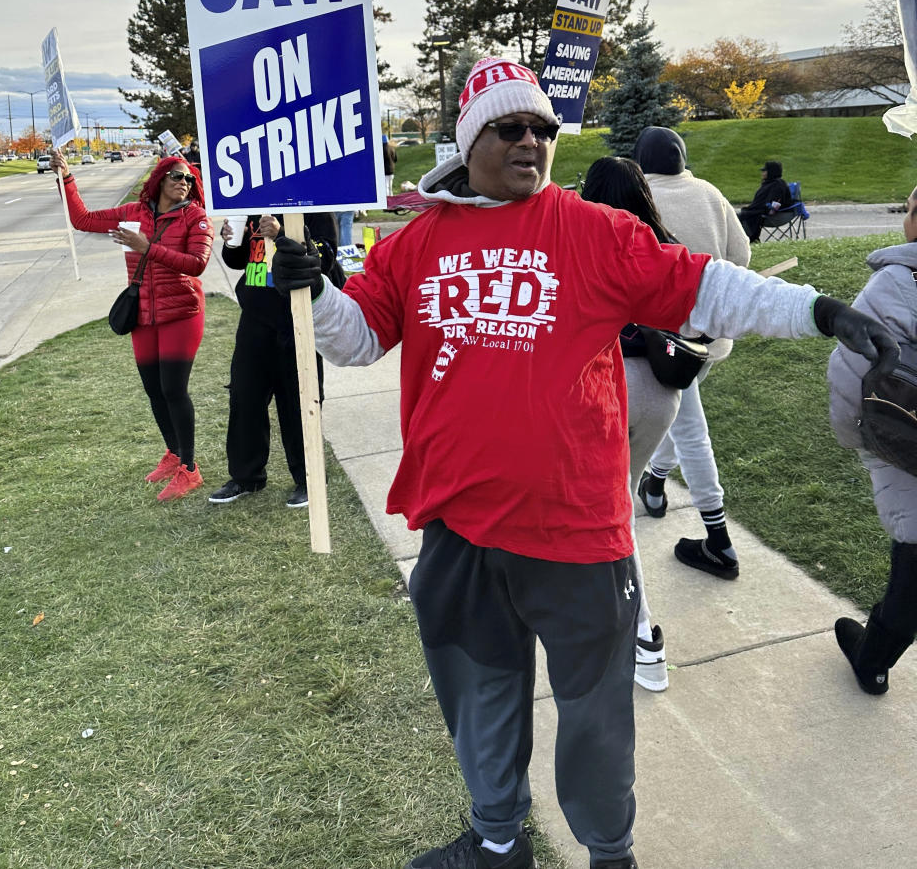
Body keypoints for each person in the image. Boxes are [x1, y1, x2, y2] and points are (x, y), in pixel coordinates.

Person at [270, 56, 896, 869]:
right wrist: (301, 289)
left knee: (596, 715)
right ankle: (497, 842)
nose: (532, 140)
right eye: (511, 127)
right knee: (481, 698)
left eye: (543, 128)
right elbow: (357, 338)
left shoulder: (589, 230)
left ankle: (610, 854)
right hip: (460, 528)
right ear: (471, 140)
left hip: (575, 533)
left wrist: (817, 310)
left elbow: (703, 287)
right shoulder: (417, 242)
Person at [52, 148, 214, 500]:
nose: (184, 183)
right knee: (154, 391)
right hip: (142, 315)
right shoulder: (133, 213)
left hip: (182, 313)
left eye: (189, 178)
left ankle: (190, 468)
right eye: (177, 177)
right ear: (159, 180)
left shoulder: (196, 218)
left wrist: (147, 247)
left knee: (174, 390)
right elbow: (83, 220)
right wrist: (66, 177)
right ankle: (173, 454)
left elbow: (197, 264)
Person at [581, 156, 682, 693]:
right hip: (663, 394)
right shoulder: (661, 242)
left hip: (610, 389)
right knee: (619, 506)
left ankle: (642, 636)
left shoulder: (586, 243)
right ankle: (632, 626)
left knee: (611, 515)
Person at [633, 126, 753, 580]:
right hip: (707, 341)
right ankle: (658, 486)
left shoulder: (639, 197)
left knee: (691, 430)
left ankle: (719, 542)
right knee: (678, 415)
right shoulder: (709, 192)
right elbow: (740, 259)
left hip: (659, 344)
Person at [828, 184, 917, 695]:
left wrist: (855, 438)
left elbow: (850, 370)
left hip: (907, 447)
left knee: (915, 556)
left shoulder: (898, 283)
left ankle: (873, 657)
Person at [208, 212, 342, 508]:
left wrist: (283, 235)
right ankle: (246, 477)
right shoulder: (254, 207)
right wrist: (233, 242)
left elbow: (325, 257)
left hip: (299, 318)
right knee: (245, 398)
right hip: (255, 319)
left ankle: (309, 479)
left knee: (300, 402)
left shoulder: (314, 205)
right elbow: (237, 261)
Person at [737, 159, 792, 242]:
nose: (762, 173)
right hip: (763, 211)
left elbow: (773, 204)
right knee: (744, 214)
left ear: (771, 172)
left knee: (744, 215)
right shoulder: (769, 183)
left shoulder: (777, 185)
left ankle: (749, 238)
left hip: (773, 216)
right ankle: (747, 238)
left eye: (764, 171)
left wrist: (758, 209)